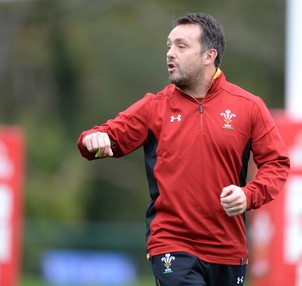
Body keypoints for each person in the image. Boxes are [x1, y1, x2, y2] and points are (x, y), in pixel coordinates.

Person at [77, 12, 290, 286]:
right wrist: (93, 140)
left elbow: (277, 164)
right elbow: (100, 136)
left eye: (181, 46)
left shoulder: (248, 106)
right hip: (171, 244)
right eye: (169, 46)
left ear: (209, 55)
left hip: (228, 251)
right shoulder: (155, 106)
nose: (170, 53)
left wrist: (248, 196)